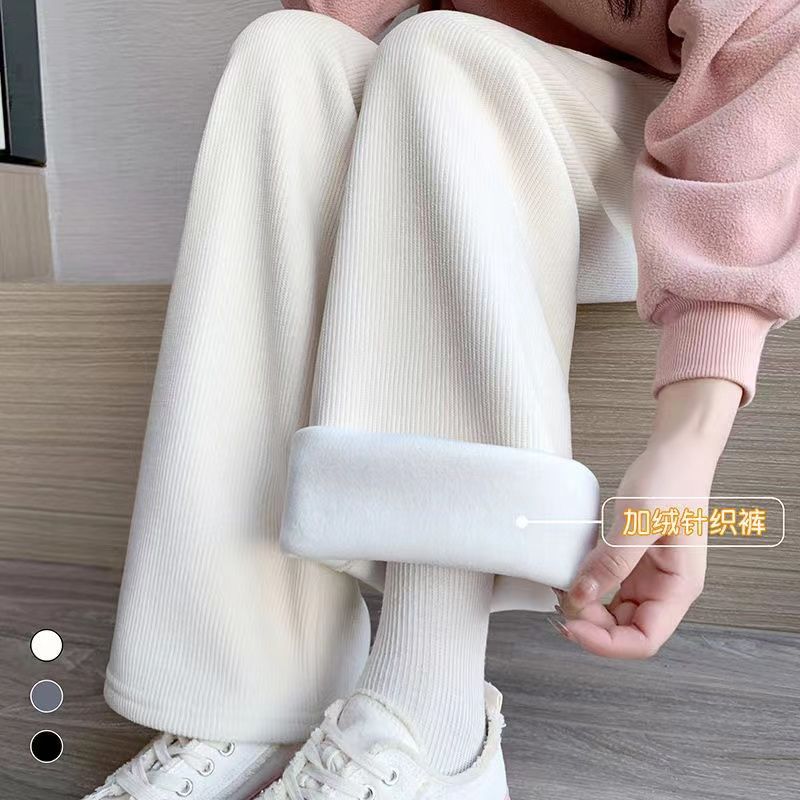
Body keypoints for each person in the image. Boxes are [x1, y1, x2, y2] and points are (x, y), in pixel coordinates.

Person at [82, 1, 799, 799]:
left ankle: (433, 720)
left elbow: (759, 76)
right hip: (454, 118)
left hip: (693, 156)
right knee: (284, 58)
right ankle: (252, 692)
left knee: (442, 54)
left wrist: (689, 438)